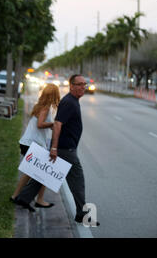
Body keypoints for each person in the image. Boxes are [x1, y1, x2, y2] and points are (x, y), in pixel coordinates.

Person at [15, 74, 99, 226]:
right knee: (77, 180)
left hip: (64, 147)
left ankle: (23, 198)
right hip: (65, 148)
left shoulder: (71, 101)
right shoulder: (69, 102)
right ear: (71, 85)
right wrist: (54, 147)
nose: (83, 87)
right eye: (79, 84)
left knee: (44, 175)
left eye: (84, 84)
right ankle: (82, 213)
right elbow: (58, 124)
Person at [10, 83, 60, 211]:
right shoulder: (45, 108)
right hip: (32, 143)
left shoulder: (41, 105)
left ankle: (19, 197)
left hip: (29, 142)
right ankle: (36, 200)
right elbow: (40, 124)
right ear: (54, 95)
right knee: (42, 173)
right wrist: (53, 124)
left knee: (33, 173)